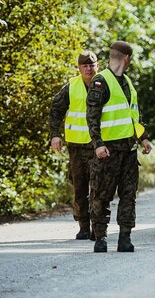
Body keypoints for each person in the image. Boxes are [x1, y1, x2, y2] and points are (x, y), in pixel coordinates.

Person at [86, 41, 152, 253]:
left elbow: (134, 115)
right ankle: (101, 238)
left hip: (129, 150)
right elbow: (92, 116)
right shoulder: (101, 81)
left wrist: (143, 138)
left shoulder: (128, 83)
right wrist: (98, 144)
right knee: (101, 195)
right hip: (107, 151)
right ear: (126, 58)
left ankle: (125, 238)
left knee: (128, 195)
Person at [49, 50, 99, 240]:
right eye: (84, 65)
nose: (88, 68)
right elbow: (56, 110)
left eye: (91, 65)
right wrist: (55, 135)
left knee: (98, 188)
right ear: (79, 68)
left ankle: (98, 227)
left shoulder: (104, 84)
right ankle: (83, 226)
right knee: (79, 188)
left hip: (98, 145)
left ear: (97, 66)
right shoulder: (71, 87)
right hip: (76, 146)